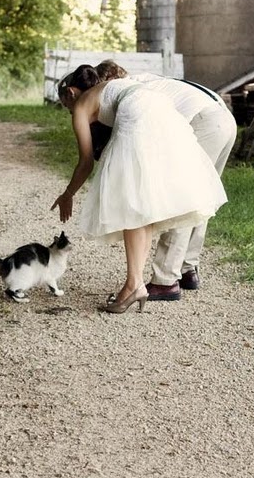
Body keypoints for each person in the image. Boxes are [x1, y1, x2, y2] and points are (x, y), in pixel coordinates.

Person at [53, 65, 228, 313]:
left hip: (139, 113)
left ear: (71, 92)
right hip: (164, 110)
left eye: (65, 106)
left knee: (131, 200)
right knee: (143, 198)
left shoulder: (81, 106)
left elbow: (85, 162)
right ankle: (140, 283)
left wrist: (67, 194)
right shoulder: (112, 87)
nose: (69, 111)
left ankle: (135, 285)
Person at [93, 60, 237, 299]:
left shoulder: (127, 92)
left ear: (107, 81)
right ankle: (188, 268)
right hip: (223, 117)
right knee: (202, 196)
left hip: (202, 121)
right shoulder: (147, 80)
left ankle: (165, 280)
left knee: (182, 198)